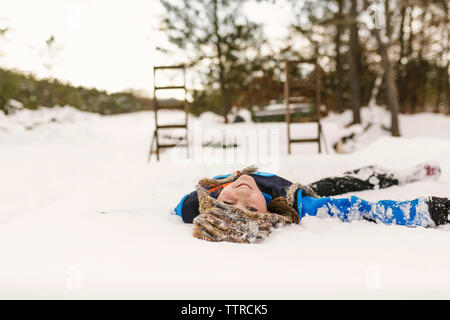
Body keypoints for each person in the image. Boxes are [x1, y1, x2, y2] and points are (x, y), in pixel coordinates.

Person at [173, 162, 449, 243]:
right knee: (344, 183)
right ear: (269, 213)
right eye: (252, 209)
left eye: (230, 201)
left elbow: (183, 208)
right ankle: (395, 174)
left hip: (281, 184)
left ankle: (385, 171)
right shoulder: (299, 206)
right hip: (299, 192)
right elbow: (365, 210)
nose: (243, 196)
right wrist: (437, 209)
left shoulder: (195, 204)